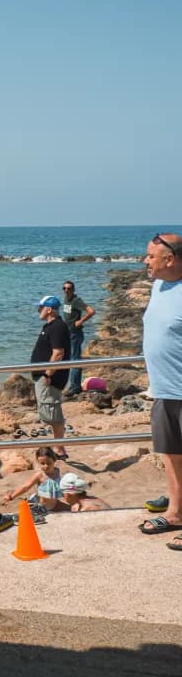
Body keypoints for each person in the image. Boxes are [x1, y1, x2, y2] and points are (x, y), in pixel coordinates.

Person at [137, 233, 182, 545]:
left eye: (150, 257)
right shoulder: (158, 285)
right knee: (172, 455)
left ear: (171, 260)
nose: (145, 261)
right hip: (163, 389)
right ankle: (176, 512)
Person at [30, 295, 71, 460]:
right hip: (43, 375)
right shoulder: (50, 326)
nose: (38, 311)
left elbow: (58, 352)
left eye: (40, 308)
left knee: (53, 413)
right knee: (49, 412)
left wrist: (48, 373)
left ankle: (60, 450)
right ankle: (58, 447)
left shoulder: (58, 326)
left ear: (49, 309)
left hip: (50, 378)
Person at [2, 447, 68, 511]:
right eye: (42, 463)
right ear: (38, 462)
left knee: (74, 509)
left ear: (54, 460)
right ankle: (31, 501)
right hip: (41, 506)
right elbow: (25, 487)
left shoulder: (57, 471)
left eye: (48, 463)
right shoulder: (39, 475)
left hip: (54, 504)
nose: (46, 466)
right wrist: (11, 496)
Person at [61, 281, 96, 397]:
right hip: (68, 333)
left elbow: (91, 311)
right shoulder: (66, 299)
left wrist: (80, 321)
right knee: (71, 358)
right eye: (64, 288)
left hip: (75, 334)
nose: (66, 290)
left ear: (73, 290)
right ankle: (73, 385)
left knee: (74, 359)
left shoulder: (76, 301)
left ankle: (74, 388)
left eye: (69, 289)